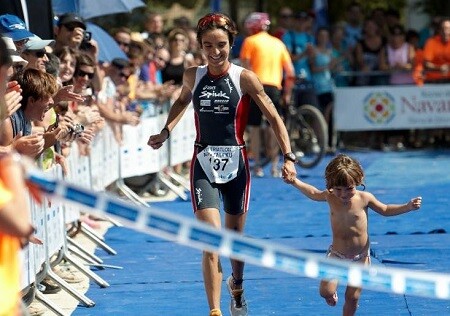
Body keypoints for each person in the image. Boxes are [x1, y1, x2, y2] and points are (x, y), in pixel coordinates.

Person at [147, 12, 297, 316]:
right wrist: (166, 131)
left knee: (234, 240)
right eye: (207, 46)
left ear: (232, 43)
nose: (215, 53)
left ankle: (237, 287)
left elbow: (273, 116)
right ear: (200, 47)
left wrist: (288, 156)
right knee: (212, 240)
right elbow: (181, 101)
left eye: (221, 45)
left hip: (236, 164)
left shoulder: (245, 78)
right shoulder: (193, 74)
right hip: (203, 161)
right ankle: (214, 311)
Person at [285, 153, 422, 316]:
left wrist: (407, 207)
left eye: (349, 189)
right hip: (337, 255)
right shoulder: (329, 197)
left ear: (358, 181)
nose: (343, 194)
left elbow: (385, 210)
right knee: (325, 292)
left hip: (361, 258)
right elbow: (314, 193)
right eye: (338, 189)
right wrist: (294, 181)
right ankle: (331, 294)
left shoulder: (365, 198)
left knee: (352, 298)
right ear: (330, 185)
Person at [239, 12, 295, 177]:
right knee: (274, 124)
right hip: (274, 87)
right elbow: (290, 72)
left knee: (255, 127)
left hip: (256, 85)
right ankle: (275, 165)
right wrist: (287, 93)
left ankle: (257, 166)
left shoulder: (250, 42)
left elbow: (245, 67)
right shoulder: (278, 43)